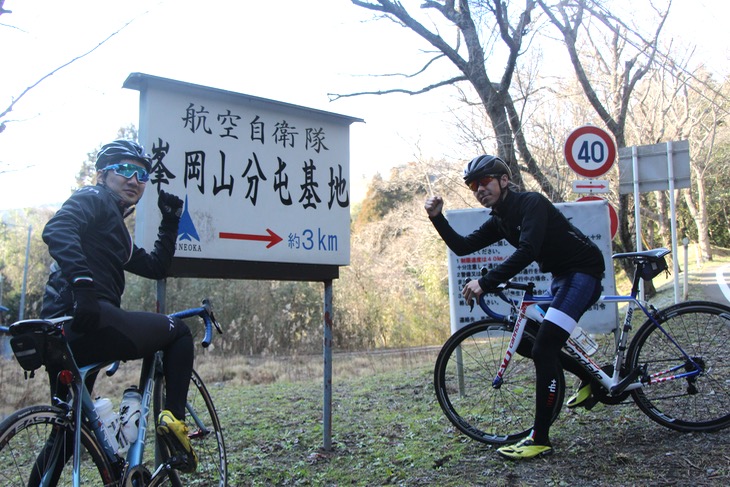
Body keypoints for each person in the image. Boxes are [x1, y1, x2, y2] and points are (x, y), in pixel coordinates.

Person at [424, 154, 605, 460]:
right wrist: (437, 217)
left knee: (544, 348)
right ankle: (592, 378)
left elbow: (528, 249)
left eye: (485, 181)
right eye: (473, 186)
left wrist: (487, 282)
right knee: (525, 341)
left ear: (503, 180)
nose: (479, 189)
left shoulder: (530, 203)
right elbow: (464, 247)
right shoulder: (500, 219)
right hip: (562, 277)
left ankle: (540, 438)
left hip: (583, 272)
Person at [40, 139, 197, 472]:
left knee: (66, 435)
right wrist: (83, 286)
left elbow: (155, 266)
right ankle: (176, 424)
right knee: (179, 332)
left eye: (141, 174)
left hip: (59, 332)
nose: (134, 180)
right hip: (87, 316)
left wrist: (170, 222)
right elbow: (57, 227)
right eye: (124, 169)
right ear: (101, 175)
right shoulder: (94, 198)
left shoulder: (114, 233)